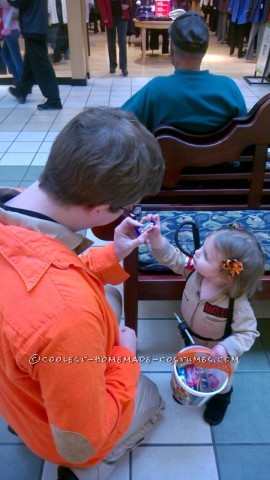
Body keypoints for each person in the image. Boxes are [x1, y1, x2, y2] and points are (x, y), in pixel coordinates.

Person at [0, 107, 165, 480]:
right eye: (126, 207)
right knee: (149, 395)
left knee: (110, 296)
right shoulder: (68, 317)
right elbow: (82, 439)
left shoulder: (15, 203)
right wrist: (125, 356)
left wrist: (113, 253)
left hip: (18, 395)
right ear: (99, 209)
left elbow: (44, 270)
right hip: (60, 434)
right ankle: (81, 473)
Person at [140, 213, 264, 425]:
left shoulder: (236, 303)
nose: (196, 253)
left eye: (205, 255)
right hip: (190, 340)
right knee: (190, 368)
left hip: (219, 352)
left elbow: (248, 332)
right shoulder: (193, 271)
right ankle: (187, 389)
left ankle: (221, 399)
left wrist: (227, 348)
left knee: (221, 381)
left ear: (226, 275)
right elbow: (172, 256)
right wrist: (157, 238)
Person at [121, 11, 247, 133]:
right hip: (221, 155)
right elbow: (244, 132)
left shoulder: (155, 90)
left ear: (171, 49)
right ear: (205, 49)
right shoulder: (229, 88)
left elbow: (120, 122)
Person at [7, 0, 62, 110]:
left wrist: (9, 1)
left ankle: (54, 100)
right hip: (36, 26)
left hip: (33, 26)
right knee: (30, 62)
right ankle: (21, 91)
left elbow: (22, 3)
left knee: (41, 65)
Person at [98, 0, 131, 76]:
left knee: (122, 41)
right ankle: (112, 65)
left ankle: (124, 67)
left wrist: (128, 4)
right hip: (110, 16)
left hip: (122, 16)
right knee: (111, 42)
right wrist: (104, 16)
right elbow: (101, 3)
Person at [0, 0, 23, 84]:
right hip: (10, 29)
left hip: (10, 30)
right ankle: (18, 78)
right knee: (5, 54)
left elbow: (7, 5)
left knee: (16, 57)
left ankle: (22, 82)